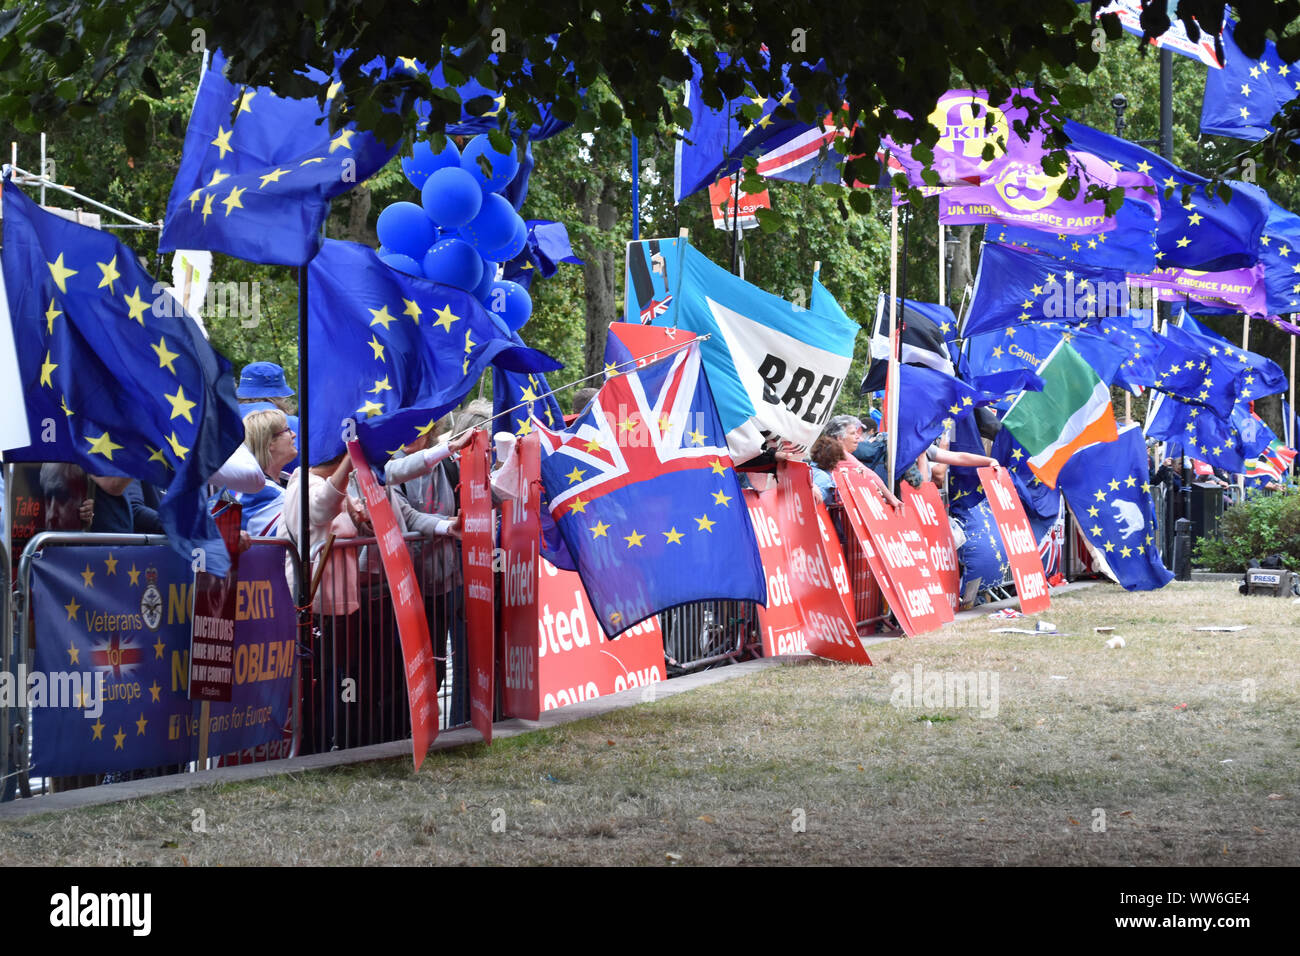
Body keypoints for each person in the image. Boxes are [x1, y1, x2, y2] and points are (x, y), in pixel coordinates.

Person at [237, 409, 297, 536]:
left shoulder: (289, 480)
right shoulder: (257, 491)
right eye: (287, 430)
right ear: (269, 442)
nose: (294, 434)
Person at [237, 362, 300, 471]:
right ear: (281, 394)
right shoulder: (292, 423)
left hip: (229, 486)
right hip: (283, 484)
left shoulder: (222, 418)